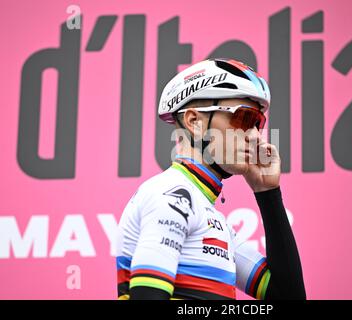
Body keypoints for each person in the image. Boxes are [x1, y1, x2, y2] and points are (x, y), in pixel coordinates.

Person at [115, 58, 306, 300]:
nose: (256, 136)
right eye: (244, 119)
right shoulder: (170, 197)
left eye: (258, 123)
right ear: (194, 122)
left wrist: (267, 192)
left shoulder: (213, 220)